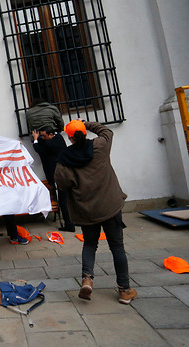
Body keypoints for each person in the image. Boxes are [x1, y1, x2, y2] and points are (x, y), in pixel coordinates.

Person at [54, 120, 137, 305]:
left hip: (86, 211)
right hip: (110, 206)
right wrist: (87, 123)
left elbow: (62, 184)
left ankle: (87, 279)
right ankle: (124, 290)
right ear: (84, 132)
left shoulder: (64, 159)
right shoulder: (100, 146)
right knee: (117, 247)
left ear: (69, 137)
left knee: (90, 244)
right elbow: (106, 131)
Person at [32, 127, 74, 231]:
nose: (42, 137)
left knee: (63, 201)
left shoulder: (54, 143)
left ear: (51, 135)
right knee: (68, 200)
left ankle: (69, 224)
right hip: (65, 173)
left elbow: (39, 148)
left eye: (44, 136)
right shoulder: (57, 137)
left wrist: (36, 139)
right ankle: (73, 221)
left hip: (60, 175)